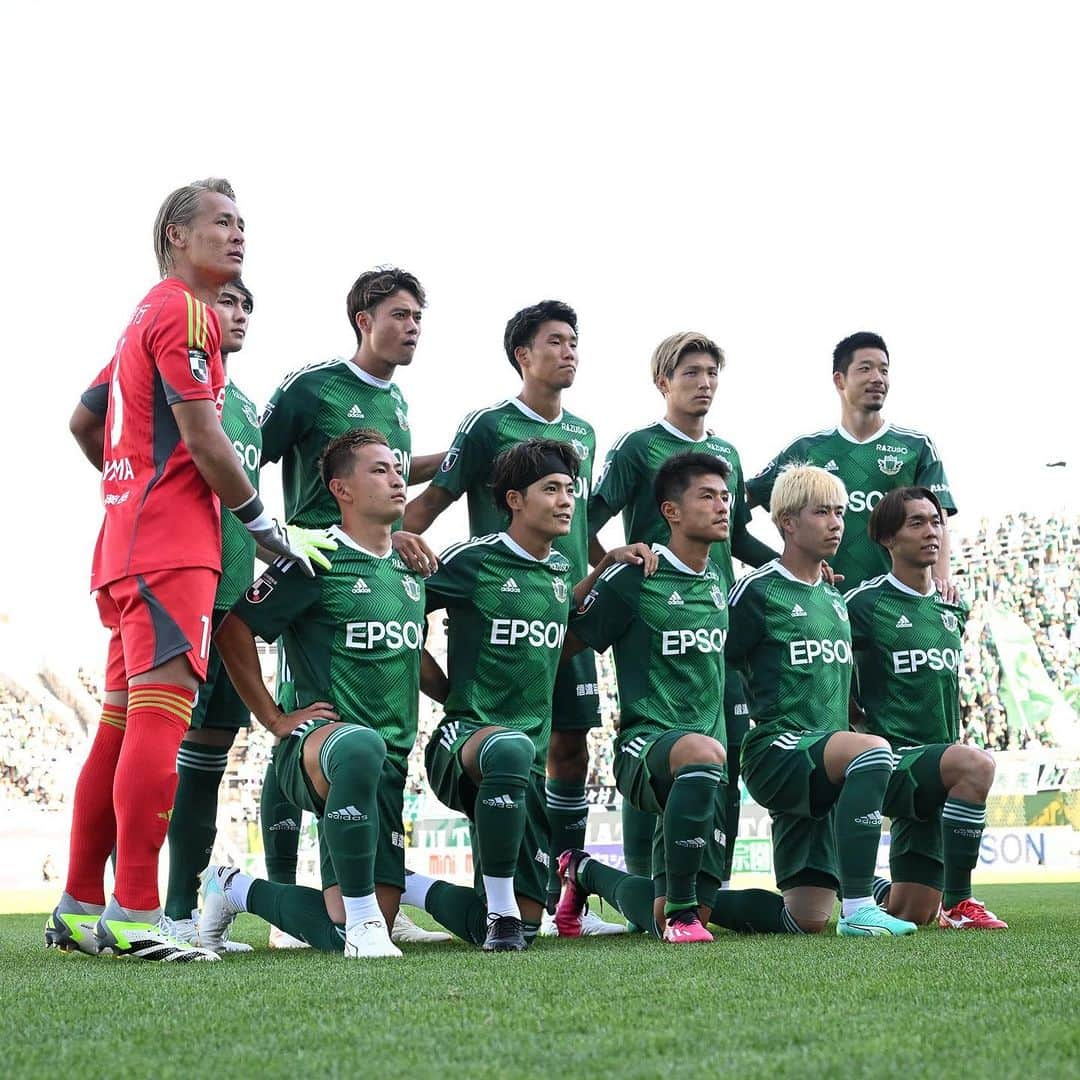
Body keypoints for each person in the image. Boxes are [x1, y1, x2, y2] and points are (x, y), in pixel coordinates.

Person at [46, 178, 315, 962]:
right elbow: (204, 438)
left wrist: (129, 481)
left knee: (121, 724)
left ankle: (79, 903)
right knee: (159, 724)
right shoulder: (186, 310)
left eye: (243, 225)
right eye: (221, 224)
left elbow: (85, 419)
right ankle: (135, 912)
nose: (238, 236)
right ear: (175, 235)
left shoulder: (145, 312)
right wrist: (262, 527)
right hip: (173, 551)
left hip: (127, 544)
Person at [404, 301, 624, 934]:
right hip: (491, 610)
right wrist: (388, 543)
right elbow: (433, 501)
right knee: (507, 747)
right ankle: (432, 891)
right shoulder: (487, 425)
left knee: (569, 746)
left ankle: (564, 895)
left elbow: (585, 536)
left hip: (556, 601)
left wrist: (615, 566)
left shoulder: (582, 434)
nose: (570, 351)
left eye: (575, 342)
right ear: (523, 355)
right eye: (556, 341)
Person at [256, 266, 446, 947]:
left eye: (420, 316)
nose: (414, 326)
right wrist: (269, 541)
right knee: (319, 724)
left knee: (362, 738)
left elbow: (387, 472)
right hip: (314, 577)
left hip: (371, 557)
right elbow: (249, 455)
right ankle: (279, 894)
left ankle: (365, 900)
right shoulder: (313, 387)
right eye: (400, 314)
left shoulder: (396, 407)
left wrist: (440, 474)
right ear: (364, 319)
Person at [201, 429, 438, 958]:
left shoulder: (411, 565)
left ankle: (232, 889)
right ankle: (362, 923)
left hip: (388, 763)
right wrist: (274, 718)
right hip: (322, 749)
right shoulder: (316, 557)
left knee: (350, 924)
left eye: (398, 468)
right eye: (379, 470)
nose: (397, 477)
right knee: (358, 747)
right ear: (341, 489)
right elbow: (233, 629)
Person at [399, 440, 644, 950]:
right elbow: (399, 612)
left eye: (570, 490)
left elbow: (561, 626)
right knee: (507, 747)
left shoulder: (558, 572)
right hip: (462, 739)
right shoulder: (472, 561)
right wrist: (444, 690)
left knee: (531, 924)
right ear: (513, 499)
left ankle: (405, 884)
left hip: (525, 759)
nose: (565, 501)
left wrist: (604, 571)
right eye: (550, 489)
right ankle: (502, 914)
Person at [587, 332, 777, 901]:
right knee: (662, 740)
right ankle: (648, 882)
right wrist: (608, 564)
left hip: (715, 616)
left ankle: (708, 878)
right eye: (691, 373)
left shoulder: (729, 457)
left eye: (711, 374)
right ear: (663, 381)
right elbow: (587, 519)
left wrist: (797, 568)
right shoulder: (637, 446)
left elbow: (738, 535)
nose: (704, 384)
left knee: (727, 741)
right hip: (652, 616)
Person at [725, 464, 916, 936]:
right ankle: (857, 906)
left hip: (822, 763)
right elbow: (718, 662)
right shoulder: (757, 590)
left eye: (840, 512)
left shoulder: (834, 597)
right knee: (872, 750)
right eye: (822, 513)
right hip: (778, 751)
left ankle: (618, 883)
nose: (836, 523)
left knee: (805, 919)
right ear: (788, 522)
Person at [559, 453, 733, 942]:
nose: (722, 506)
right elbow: (563, 641)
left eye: (725, 496)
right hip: (647, 747)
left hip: (709, 761)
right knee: (681, 911)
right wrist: (601, 567)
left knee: (690, 907)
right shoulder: (636, 574)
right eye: (707, 496)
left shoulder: (719, 583)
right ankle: (681, 918)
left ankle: (584, 872)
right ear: (670, 511)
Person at [846, 487, 1006, 929]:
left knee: (911, 911)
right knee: (977, 765)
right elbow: (831, 670)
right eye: (916, 523)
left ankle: (855, 885)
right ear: (887, 539)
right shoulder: (863, 604)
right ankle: (960, 903)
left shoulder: (953, 604)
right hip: (896, 763)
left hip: (937, 765)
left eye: (935, 521)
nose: (931, 531)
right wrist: (853, 721)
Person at [746, 331, 957, 590]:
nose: (877, 378)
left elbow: (940, 521)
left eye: (884, 370)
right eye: (865, 369)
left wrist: (941, 581)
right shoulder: (806, 450)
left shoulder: (917, 447)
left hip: (896, 606)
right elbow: (740, 500)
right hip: (823, 604)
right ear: (839, 380)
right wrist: (781, 565)